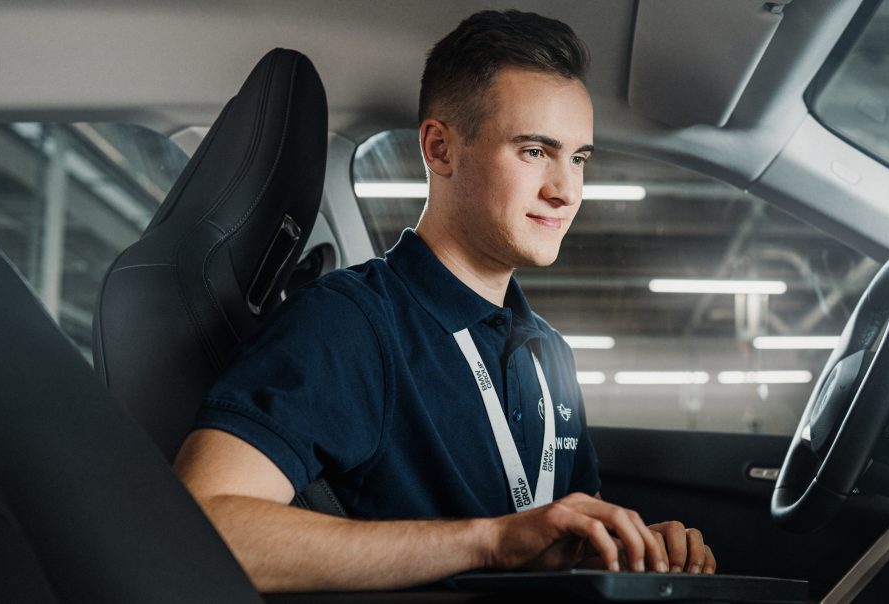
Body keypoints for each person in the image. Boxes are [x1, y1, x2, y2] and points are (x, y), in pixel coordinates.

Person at [172, 10, 714, 593]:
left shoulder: (549, 352)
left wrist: (628, 547)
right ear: (440, 149)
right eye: (534, 151)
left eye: (578, 158)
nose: (565, 191)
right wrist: (491, 542)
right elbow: (204, 526)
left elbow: (565, 540)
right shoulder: (351, 323)